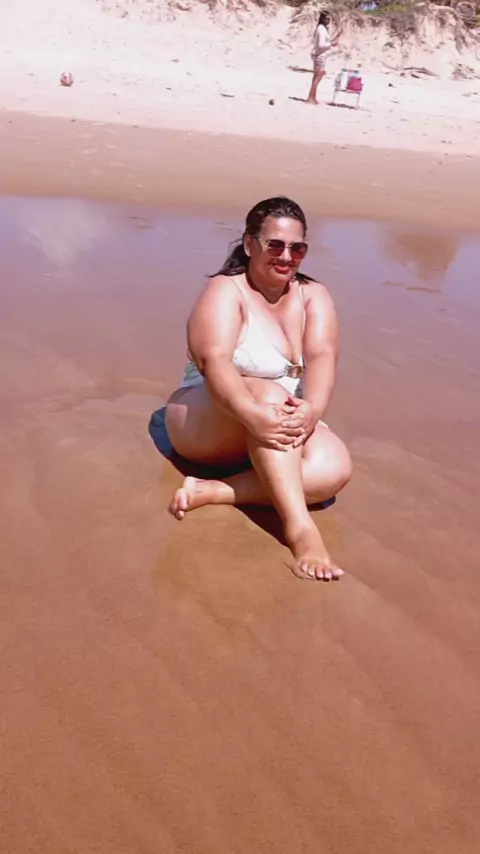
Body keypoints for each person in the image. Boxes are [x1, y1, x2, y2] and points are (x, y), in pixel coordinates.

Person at [166, 196, 352, 581]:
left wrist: (313, 409)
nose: (286, 257)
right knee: (268, 394)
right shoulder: (225, 290)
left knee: (333, 468)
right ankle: (301, 530)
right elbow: (213, 361)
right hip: (206, 419)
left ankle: (218, 491)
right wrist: (251, 413)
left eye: (297, 248)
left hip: (274, 425)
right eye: (275, 245)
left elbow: (322, 355)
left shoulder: (313, 295)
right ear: (250, 244)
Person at [306, 11, 341, 105]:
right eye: (327, 18)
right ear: (323, 19)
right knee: (318, 77)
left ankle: (313, 97)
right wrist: (331, 44)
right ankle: (310, 97)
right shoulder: (321, 29)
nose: (328, 20)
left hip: (320, 55)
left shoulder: (322, 28)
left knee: (316, 76)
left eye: (329, 19)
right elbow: (321, 45)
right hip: (320, 55)